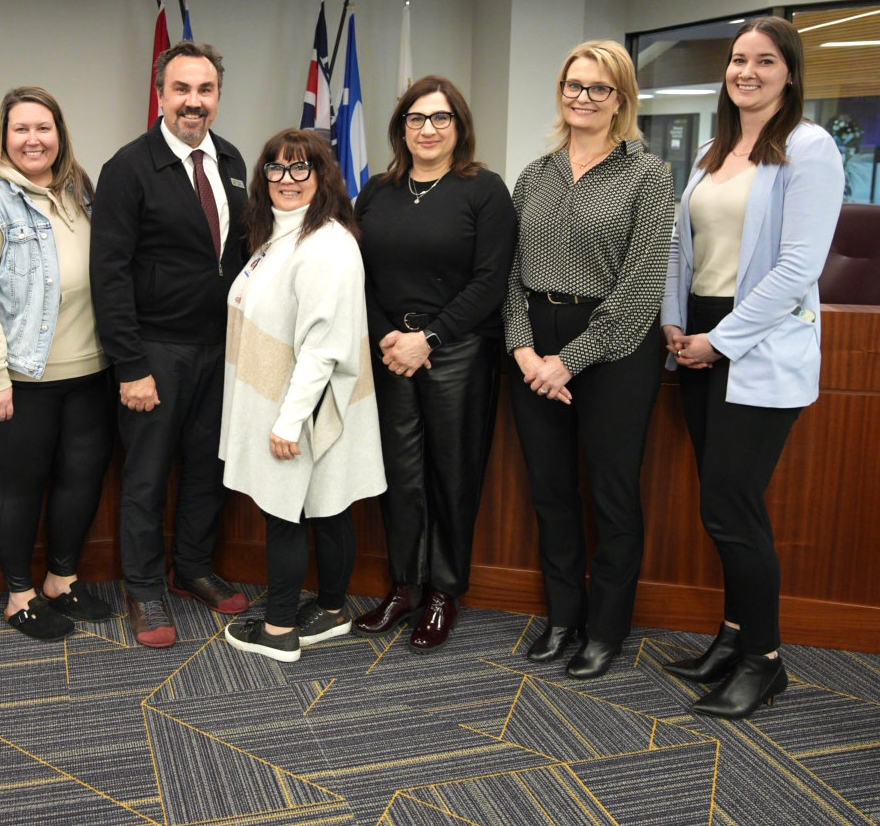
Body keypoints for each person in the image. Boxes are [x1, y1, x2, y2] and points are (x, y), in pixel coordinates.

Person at [660, 17, 844, 719]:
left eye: (764, 61)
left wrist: (722, 339)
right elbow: (686, 247)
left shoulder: (807, 147)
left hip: (754, 345)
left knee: (729, 507)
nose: (746, 72)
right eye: (738, 60)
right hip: (702, 339)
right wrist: (675, 320)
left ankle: (764, 661)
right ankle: (732, 637)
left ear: (788, 73)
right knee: (722, 502)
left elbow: (798, 266)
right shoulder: (715, 148)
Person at [503, 40, 673, 680]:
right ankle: (563, 618)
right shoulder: (534, 175)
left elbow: (639, 291)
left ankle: (605, 630)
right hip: (532, 344)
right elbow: (513, 274)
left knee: (611, 496)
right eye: (574, 85)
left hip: (614, 351)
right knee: (550, 494)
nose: (582, 97)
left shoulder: (648, 176)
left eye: (598, 88)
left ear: (621, 98)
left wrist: (565, 362)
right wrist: (524, 351)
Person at [91, 40, 251, 648]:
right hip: (154, 352)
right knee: (147, 477)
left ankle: (193, 568)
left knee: (209, 470)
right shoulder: (128, 168)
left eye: (205, 90)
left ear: (217, 96)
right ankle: (144, 589)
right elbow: (108, 274)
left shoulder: (233, 161)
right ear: (161, 94)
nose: (194, 102)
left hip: (220, 350)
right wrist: (131, 365)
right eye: (182, 90)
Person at [0, 87, 115, 641]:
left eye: (44, 128)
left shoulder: (79, 192)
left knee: (80, 479)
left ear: (59, 135)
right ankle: (19, 595)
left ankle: (61, 581)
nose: (33, 139)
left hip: (90, 369)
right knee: (19, 484)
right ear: (4, 136)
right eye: (22, 129)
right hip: (19, 376)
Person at [353, 77, 516, 653]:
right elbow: (358, 276)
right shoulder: (375, 192)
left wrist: (432, 336)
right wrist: (389, 338)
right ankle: (405, 586)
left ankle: (445, 592)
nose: (427, 129)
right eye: (416, 119)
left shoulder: (484, 191)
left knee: (451, 474)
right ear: (401, 128)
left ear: (459, 127)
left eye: (440, 119)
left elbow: (491, 279)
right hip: (392, 353)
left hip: (458, 352)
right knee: (401, 477)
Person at [220, 129, 385, 661]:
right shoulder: (279, 235)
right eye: (276, 168)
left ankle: (279, 631)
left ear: (322, 177)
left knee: (285, 512)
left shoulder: (327, 245)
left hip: (304, 405)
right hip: (290, 398)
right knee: (328, 507)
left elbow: (322, 347)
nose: (286, 180)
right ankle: (333, 609)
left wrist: (289, 421)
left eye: (300, 169)